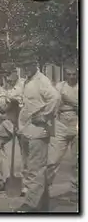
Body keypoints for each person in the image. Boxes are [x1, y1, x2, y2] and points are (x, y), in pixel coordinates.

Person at [0, 58, 60, 212]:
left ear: (35, 64)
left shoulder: (41, 81)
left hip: (38, 132)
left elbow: (55, 98)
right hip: (26, 130)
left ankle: (31, 205)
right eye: (24, 66)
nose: (26, 68)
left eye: (29, 65)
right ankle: (42, 203)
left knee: (36, 169)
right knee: (30, 168)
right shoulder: (26, 82)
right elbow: (12, 98)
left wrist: (45, 115)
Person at [47, 66, 78, 202]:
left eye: (74, 74)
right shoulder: (60, 86)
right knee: (53, 158)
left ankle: (75, 190)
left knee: (77, 160)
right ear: (65, 75)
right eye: (69, 74)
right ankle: (44, 187)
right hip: (62, 122)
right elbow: (53, 102)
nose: (71, 77)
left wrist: (70, 101)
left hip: (77, 122)